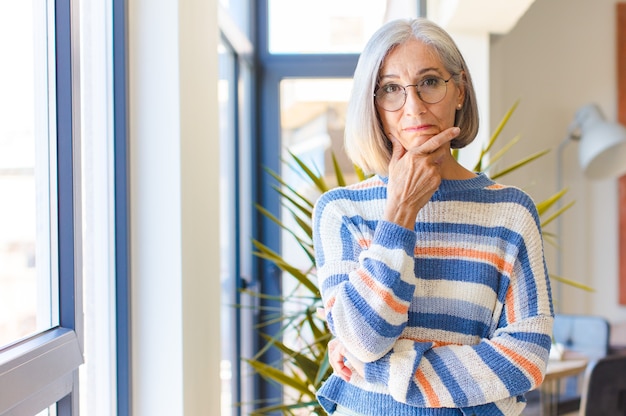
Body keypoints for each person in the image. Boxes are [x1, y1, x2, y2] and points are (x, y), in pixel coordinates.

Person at [312, 17, 553, 416]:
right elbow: (365, 339)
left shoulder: (510, 212)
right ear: (374, 106)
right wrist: (400, 213)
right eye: (391, 89)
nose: (414, 107)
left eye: (429, 82)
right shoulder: (340, 211)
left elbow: (525, 357)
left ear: (459, 90)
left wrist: (383, 371)